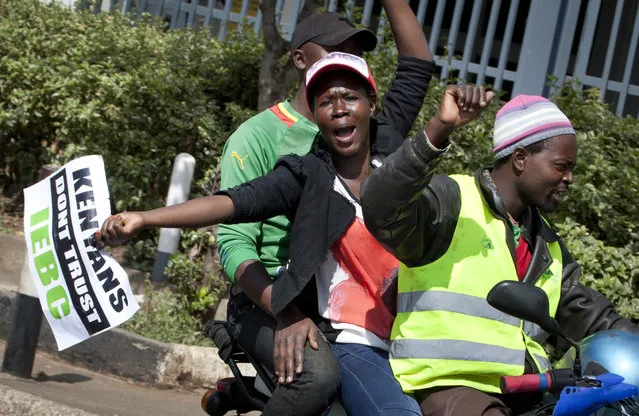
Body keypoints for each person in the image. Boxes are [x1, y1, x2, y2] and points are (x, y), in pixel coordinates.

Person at [96, 51, 472, 415]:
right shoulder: (307, 175)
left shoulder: (393, 169)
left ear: (371, 104)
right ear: (317, 116)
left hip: (414, 339)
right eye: (326, 101)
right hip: (354, 338)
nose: (339, 108)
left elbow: (421, 141)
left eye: (350, 97)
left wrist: (446, 122)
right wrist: (146, 218)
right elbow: (234, 203)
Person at [215, 2, 434, 415]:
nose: (346, 60)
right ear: (300, 59)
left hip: (343, 312)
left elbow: (418, 65)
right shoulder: (258, 137)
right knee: (317, 378)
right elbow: (234, 243)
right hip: (271, 297)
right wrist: (285, 311)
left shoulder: (368, 131)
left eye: (355, 54)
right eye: (334, 50)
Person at [359, 93, 639, 416]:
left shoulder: (547, 244)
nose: (569, 179)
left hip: (524, 393)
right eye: (562, 167)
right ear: (520, 158)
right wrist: (437, 132)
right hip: (447, 385)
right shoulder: (452, 202)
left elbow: (593, 317)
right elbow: (381, 208)